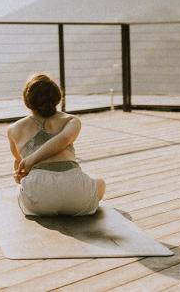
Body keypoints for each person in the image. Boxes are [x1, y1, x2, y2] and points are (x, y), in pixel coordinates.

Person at [7, 73, 106, 216]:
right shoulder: (71, 121)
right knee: (101, 183)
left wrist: (28, 164)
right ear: (57, 97)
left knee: (23, 188)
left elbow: (19, 164)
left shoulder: (13, 129)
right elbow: (64, 139)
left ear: (27, 100)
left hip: (38, 199)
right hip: (76, 194)